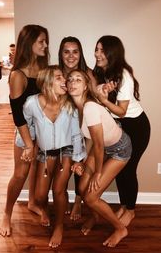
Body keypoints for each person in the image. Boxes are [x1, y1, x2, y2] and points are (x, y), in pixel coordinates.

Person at [22, 65, 86, 248]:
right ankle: (42, 210)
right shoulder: (31, 103)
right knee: (41, 196)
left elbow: (75, 135)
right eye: (59, 77)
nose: (64, 81)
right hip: (43, 154)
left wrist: (78, 159)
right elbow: (26, 125)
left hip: (64, 152)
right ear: (48, 81)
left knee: (59, 191)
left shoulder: (69, 105)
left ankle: (59, 226)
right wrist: (28, 145)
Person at [67, 69, 132, 248]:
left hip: (119, 149)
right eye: (70, 79)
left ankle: (120, 229)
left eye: (78, 79)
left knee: (90, 197)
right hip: (102, 148)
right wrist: (81, 161)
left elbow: (98, 144)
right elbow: (89, 139)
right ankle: (95, 216)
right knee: (81, 187)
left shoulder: (89, 108)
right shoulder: (77, 109)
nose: (72, 82)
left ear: (86, 85)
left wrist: (97, 172)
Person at [93, 35, 151, 227]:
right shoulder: (103, 73)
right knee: (119, 170)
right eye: (97, 49)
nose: (97, 54)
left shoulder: (123, 75)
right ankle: (124, 205)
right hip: (121, 126)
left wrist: (104, 100)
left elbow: (122, 111)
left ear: (112, 52)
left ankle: (131, 211)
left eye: (102, 50)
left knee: (128, 169)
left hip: (136, 126)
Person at [0, 24, 49, 237]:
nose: (46, 45)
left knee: (36, 170)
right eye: (41, 41)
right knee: (20, 174)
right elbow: (18, 115)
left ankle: (32, 203)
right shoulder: (18, 75)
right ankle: (6, 214)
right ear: (29, 43)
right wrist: (29, 143)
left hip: (43, 130)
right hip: (25, 132)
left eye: (46, 41)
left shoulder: (42, 70)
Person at [58, 36, 96, 220]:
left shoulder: (88, 74)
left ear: (80, 53)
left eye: (75, 51)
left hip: (84, 129)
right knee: (62, 166)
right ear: (61, 54)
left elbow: (95, 103)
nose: (71, 56)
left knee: (80, 163)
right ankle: (61, 196)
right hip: (62, 129)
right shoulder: (57, 75)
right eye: (66, 51)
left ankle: (78, 201)